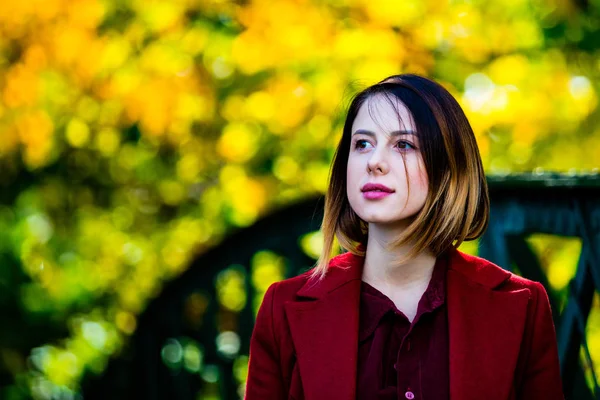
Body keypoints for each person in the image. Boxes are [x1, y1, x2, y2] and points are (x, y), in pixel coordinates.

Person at [244, 74, 563, 400]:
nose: (375, 162)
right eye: (362, 144)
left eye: (404, 144)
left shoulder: (521, 306)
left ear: (448, 168)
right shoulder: (282, 309)